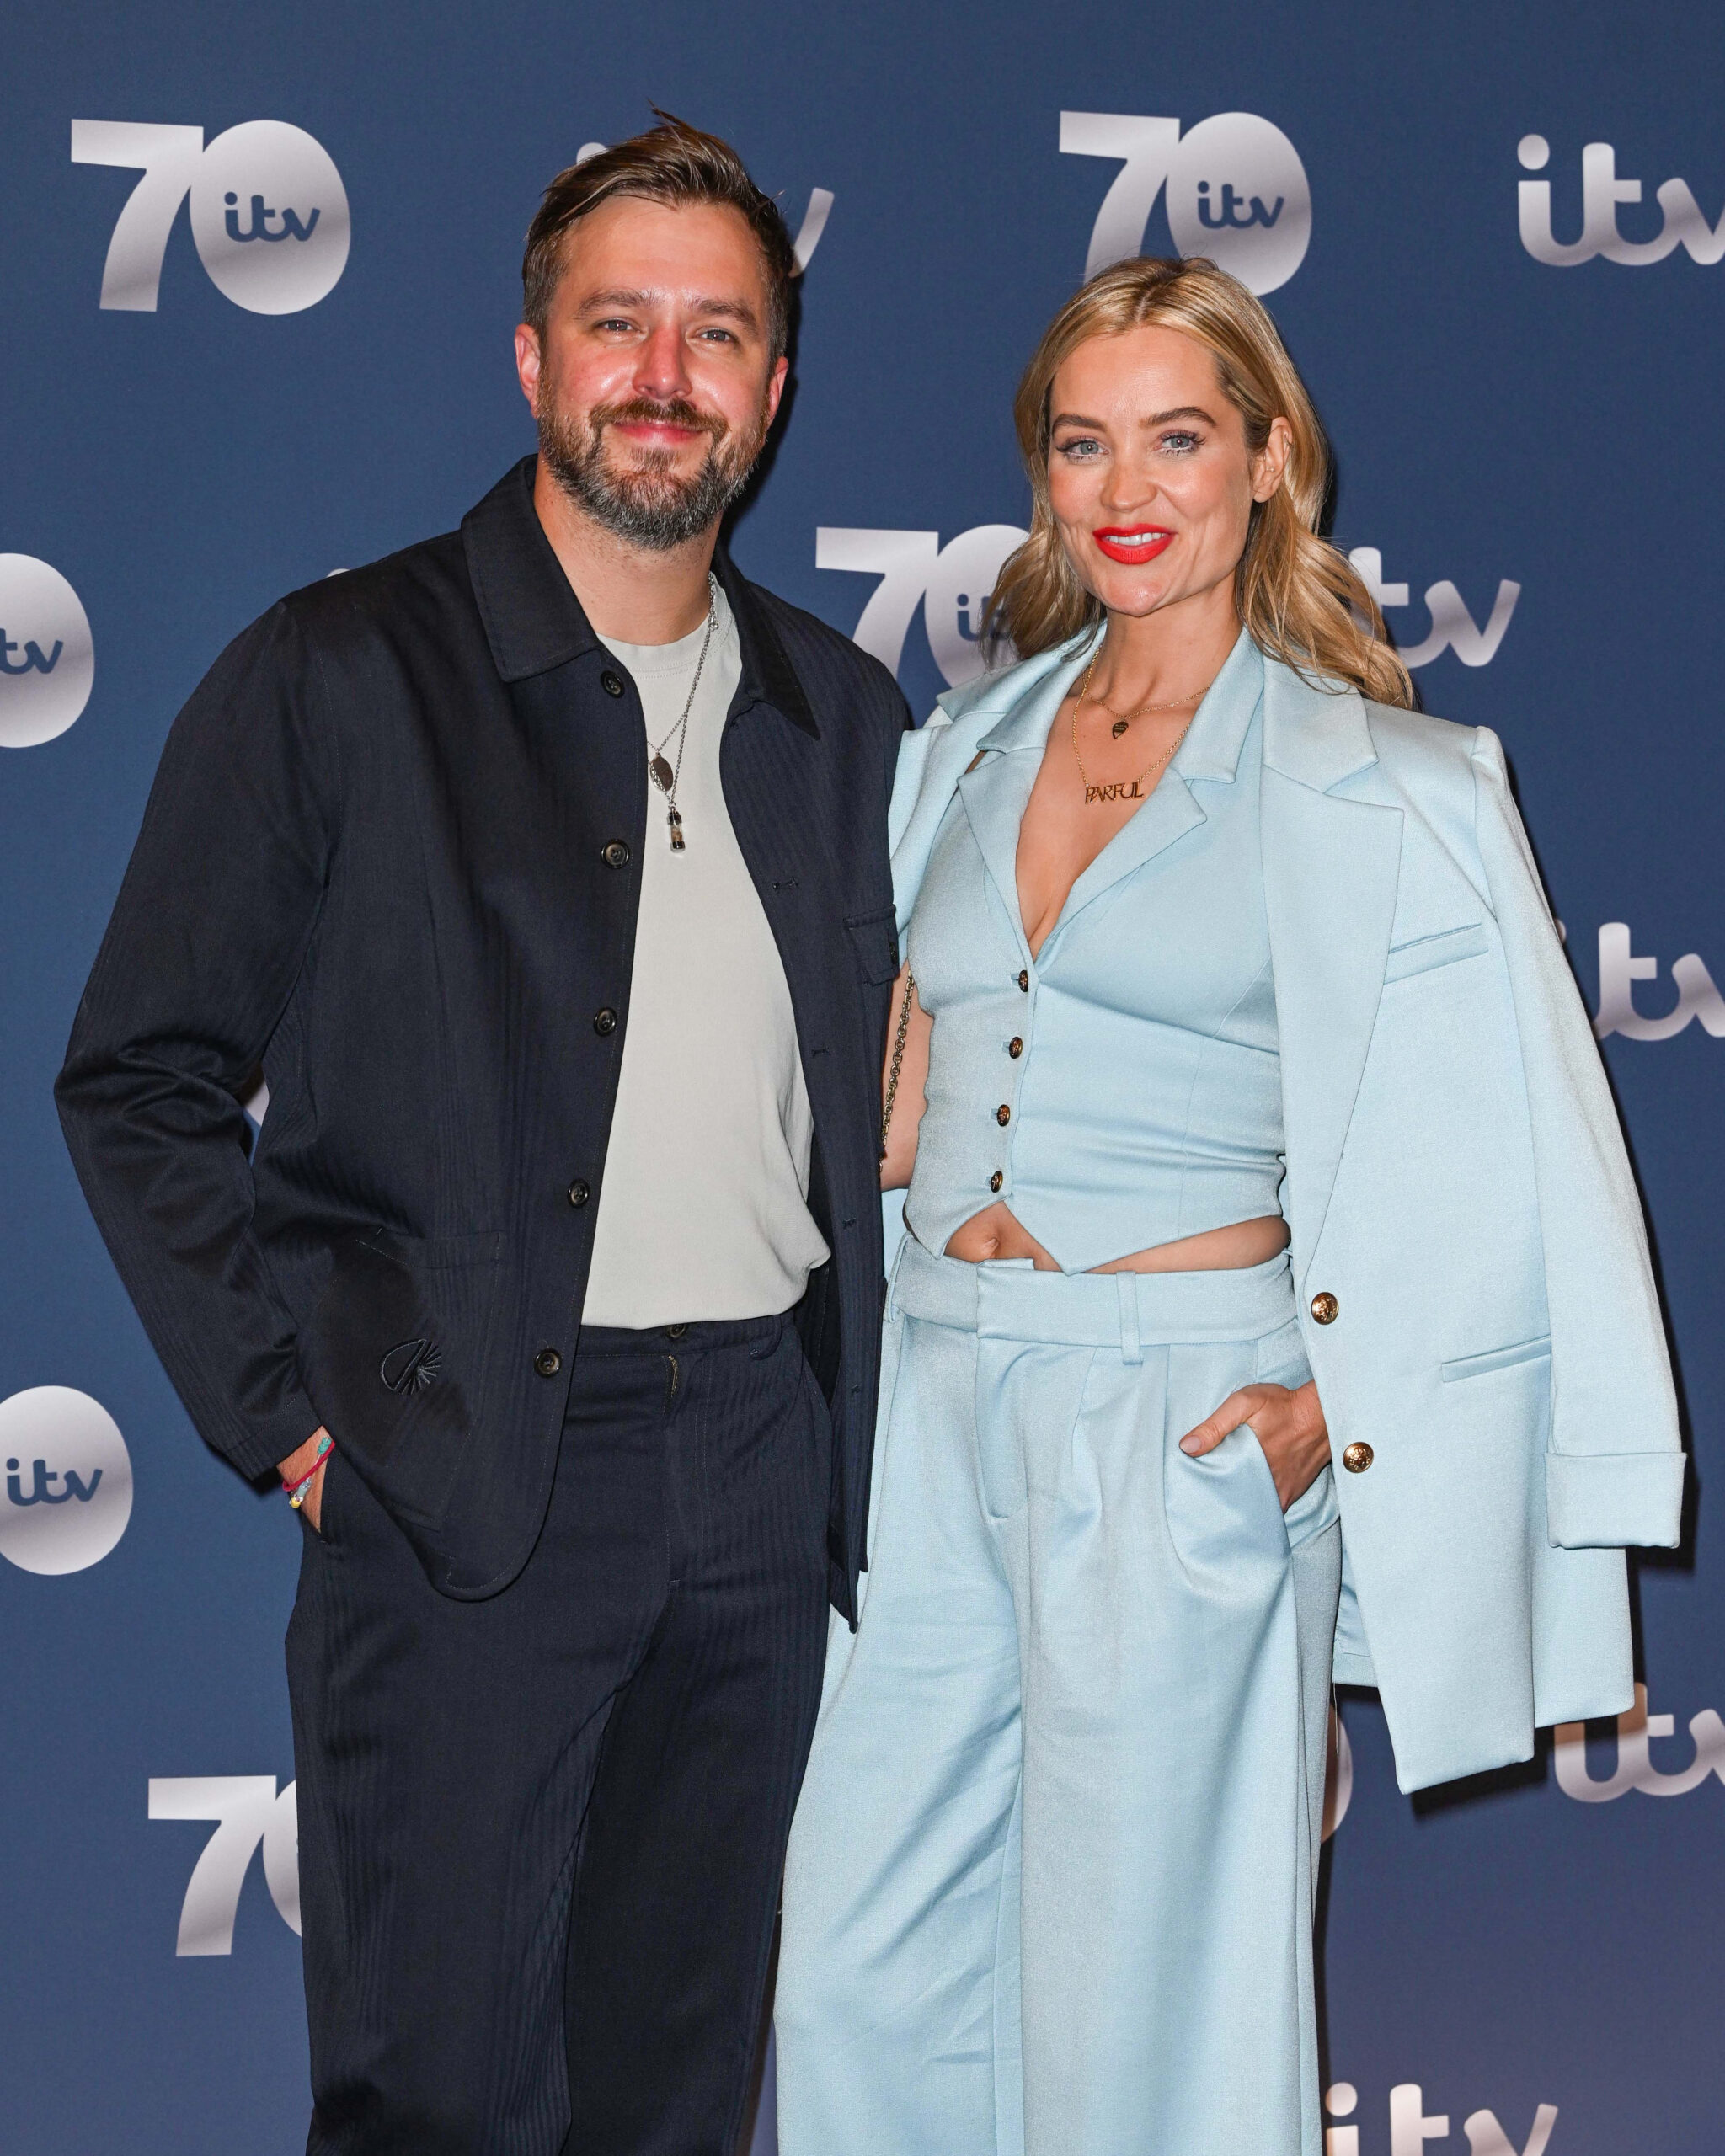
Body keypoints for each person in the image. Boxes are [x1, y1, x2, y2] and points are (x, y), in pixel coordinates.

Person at [56, 115, 906, 2156]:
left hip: (765, 1471)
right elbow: (140, 1072)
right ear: (530, 358)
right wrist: (296, 1414)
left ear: (774, 391)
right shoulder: (339, 675)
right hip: (466, 1477)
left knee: (677, 2092)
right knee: (438, 2096)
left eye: (718, 334)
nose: (664, 376)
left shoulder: (847, 715)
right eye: (619, 322)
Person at [774, 255, 1683, 2156]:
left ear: (1269, 459)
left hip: (1181, 1415)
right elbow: (880, 1112)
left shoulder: (1393, 784)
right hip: (931, 1408)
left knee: (1148, 2009)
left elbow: (1522, 1159)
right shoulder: (955, 747)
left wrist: (1320, 1429)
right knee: (858, 1963)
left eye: (1177, 436)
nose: (1125, 484)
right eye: (1081, 439)